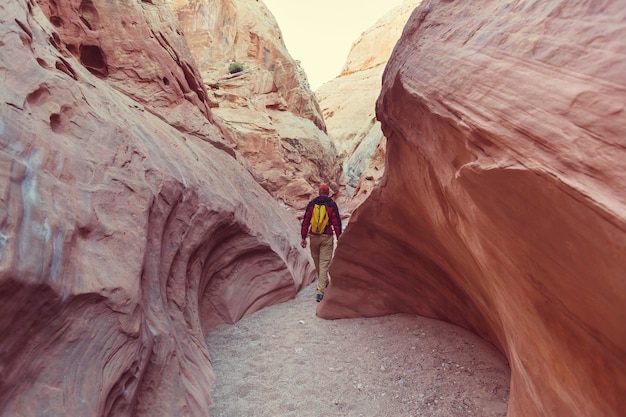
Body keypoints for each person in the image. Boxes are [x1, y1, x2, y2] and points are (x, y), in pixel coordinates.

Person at [301, 184, 342, 302]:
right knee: (324, 263)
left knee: (318, 263)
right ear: (328, 192)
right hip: (326, 237)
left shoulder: (312, 204)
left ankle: (324, 284)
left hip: (313, 237)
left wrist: (303, 238)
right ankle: (320, 292)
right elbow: (336, 222)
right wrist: (339, 238)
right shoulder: (331, 204)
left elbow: (306, 221)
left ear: (319, 192)